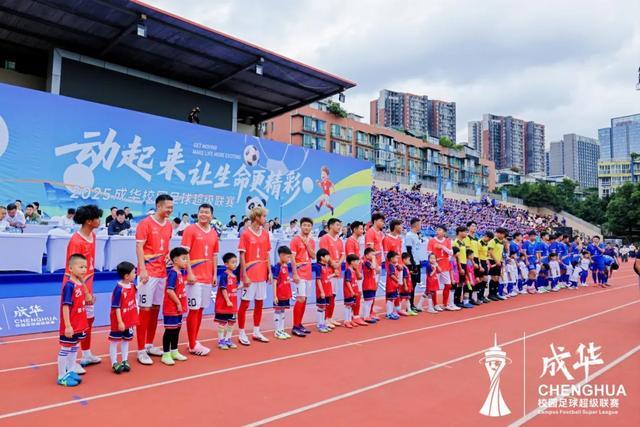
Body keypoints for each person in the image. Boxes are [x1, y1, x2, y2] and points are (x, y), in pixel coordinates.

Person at [135, 194, 174, 365]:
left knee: (155, 309)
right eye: (168, 207)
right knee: (145, 309)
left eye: (172, 207)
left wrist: (169, 256)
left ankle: (149, 344)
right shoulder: (145, 223)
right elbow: (139, 247)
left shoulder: (169, 225)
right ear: (159, 206)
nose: (170, 210)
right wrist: (142, 269)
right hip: (148, 273)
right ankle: (140, 350)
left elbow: (166, 246)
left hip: (162, 272)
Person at [65, 205, 103, 371]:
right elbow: (74, 270)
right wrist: (85, 292)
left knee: (89, 320)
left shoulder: (92, 236)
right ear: (89, 221)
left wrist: (89, 290)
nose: (99, 220)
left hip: (87, 286)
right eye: (97, 218)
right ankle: (70, 363)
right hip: (76, 288)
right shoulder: (76, 241)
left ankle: (86, 353)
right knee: (76, 322)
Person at [181, 203, 219, 356]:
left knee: (201, 310)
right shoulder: (190, 230)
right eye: (201, 212)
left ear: (211, 215)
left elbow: (214, 255)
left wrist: (214, 274)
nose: (204, 214)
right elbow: (184, 254)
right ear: (197, 214)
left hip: (207, 278)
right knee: (194, 310)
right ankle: (192, 345)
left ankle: (194, 340)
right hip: (194, 279)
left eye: (207, 212)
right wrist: (189, 273)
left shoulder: (214, 233)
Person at [237, 206, 272, 345]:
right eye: (263, 216)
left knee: (259, 303)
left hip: (262, 274)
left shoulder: (265, 234)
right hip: (250, 275)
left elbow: (267, 254)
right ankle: (241, 332)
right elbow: (242, 255)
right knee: (245, 304)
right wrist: (244, 275)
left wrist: (269, 272)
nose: (265, 219)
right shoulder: (246, 234)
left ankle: (256, 331)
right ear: (257, 217)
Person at [56, 254, 89, 387]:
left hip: (79, 324)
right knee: (65, 348)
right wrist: (68, 326)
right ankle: (61, 376)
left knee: (75, 347)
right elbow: (65, 306)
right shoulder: (69, 286)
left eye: (85, 267)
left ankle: (70, 371)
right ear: (70, 268)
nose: (84, 269)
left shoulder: (80, 284)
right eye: (80, 267)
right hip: (71, 325)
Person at [109, 261, 138, 374]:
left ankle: (125, 360)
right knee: (114, 341)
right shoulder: (118, 289)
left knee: (126, 340)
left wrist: (142, 283)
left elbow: (135, 291)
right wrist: (120, 322)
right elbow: (116, 307)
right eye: (133, 273)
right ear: (126, 276)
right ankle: (114, 362)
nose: (135, 274)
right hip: (119, 320)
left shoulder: (132, 285)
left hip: (129, 319)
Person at [290, 217, 316, 337]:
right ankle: (295, 326)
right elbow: (292, 258)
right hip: (299, 273)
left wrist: (307, 244)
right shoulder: (295, 240)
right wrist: (294, 273)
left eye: (308, 225)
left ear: (311, 227)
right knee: (300, 298)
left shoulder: (312, 241)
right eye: (304, 225)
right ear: (301, 226)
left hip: (308, 273)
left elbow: (313, 256)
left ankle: (299, 324)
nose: (306, 227)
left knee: (304, 299)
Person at [319, 218, 345, 328]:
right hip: (328, 271)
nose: (339, 227)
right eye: (337, 225)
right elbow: (323, 254)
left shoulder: (339, 240)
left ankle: (330, 317)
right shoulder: (325, 238)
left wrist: (338, 264)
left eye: (340, 225)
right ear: (330, 226)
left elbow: (343, 254)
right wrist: (332, 264)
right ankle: (324, 319)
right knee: (328, 295)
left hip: (336, 271)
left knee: (333, 295)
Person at [345, 221, 367, 325]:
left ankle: (355, 316)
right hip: (353, 274)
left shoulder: (356, 241)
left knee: (358, 294)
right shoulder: (350, 241)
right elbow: (352, 260)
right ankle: (353, 317)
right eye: (361, 229)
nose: (363, 231)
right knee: (355, 294)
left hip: (356, 272)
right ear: (354, 229)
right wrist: (357, 272)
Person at [215, 253, 239, 350]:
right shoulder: (224, 275)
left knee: (231, 322)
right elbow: (223, 289)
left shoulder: (234, 276)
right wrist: (228, 301)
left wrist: (243, 285)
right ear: (226, 264)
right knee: (222, 323)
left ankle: (228, 339)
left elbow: (234, 288)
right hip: (224, 304)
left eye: (236, 262)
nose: (235, 264)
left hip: (233, 304)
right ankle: (221, 341)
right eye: (233, 262)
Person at [428, 225, 453, 310]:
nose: (438, 231)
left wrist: (442, 247)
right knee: (434, 286)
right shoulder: (431, 241)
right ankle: (435, 304)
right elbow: (429, 253)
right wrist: (434, 260)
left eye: (440, 230)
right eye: (437, 230)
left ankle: (445, 304)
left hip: (445, 266)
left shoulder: (447, 241)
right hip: (435, 266)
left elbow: (451, 253)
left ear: (444, 232)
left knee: (448, 285)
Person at [272, 246, 293, 339]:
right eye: (288, 257)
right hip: (279, 294)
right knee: (278, 311)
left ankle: (281, 330)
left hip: (286, 293)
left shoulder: (286, 266)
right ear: (281, 255)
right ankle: (277, 331)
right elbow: (275, 282)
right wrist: (275, 296)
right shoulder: (277, 267)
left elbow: (285, 279)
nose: (289, 259)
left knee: (283, 311)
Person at [404, 218, 423, 312]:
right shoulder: (409, 235)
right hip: (412, 264)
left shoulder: (416, 235)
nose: (421, 226)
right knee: (410, 284)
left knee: (414, 284)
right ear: (415, 225)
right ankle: (408, 306)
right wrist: (413, 264)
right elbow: (409, 251)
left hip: (418, 262)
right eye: (420, 224)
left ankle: (411, 304)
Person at [314, 248, 333, 333]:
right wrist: (321, 291)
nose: (329, 257)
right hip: (322, 291)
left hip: (327, 290)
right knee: (321, 307)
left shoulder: (326, 266)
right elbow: (318, 280)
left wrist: (333, 275)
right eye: (327, 256)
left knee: (324, 307)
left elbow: (326, 278)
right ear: (322, 257)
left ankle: (323, 323)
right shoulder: (318, 266)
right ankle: (320, 324)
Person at [365, 213, 385, 286]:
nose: (383, 223)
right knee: (372, 286)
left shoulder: (380, 233)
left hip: (379, 262)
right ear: (375, 221)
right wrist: (375, 265)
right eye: (381, 221)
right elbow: (370, 252)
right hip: (372, 264)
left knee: (375, 285)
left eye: (383, 221)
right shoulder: (370, 232)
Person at [487, 228, 507, 301]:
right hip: (493, 261)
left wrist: (501, 261)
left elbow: (501, 252)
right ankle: (491, 294)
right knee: (494, 278)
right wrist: (496, 261)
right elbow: (490, 252)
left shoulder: (501, 242)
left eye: (503, 234)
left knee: (497, 278)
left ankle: (495, 293)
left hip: (499, 261)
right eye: (500, 233)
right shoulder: (493, 241)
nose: (502, 235)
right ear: (497, 233)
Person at [361, 247, 380, 323]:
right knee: (368, 301)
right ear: (366, 255)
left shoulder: (370, 262)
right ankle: (366, 317)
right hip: (367, 284)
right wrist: (374, 258)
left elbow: (377, 270)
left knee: (370, 301)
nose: (373, 256)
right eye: (371, 254)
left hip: (372, 283)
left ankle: (368, 315)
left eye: (373, 254)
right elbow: (374, 267)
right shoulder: (366, 262)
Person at [452, 226, 468, 309]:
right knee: (458, 283)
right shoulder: (455, 242)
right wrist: (460, 267)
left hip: (464, 263)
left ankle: (459, 300)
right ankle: (456, 301)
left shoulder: (463, 242)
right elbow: (456, 256)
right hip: (459, 264)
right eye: (465, 232)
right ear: (459, 232)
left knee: (461, 283)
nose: (466, 233)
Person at [342, 254, 360, 327]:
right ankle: (346, 321)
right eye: (356, 261)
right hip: (348, 292)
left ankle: (350, 320)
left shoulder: (353, 271)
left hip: (353, 291)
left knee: (351, 305)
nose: (358, 263)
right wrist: (351, 291)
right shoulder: (348, 271)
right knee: (348, 306)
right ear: (352, 262)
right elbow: (347, 282)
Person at [384, 251, 401, 320]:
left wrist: (397, 265)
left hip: (394, 285)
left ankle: (391, 312)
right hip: (391, 285)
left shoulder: (394, 266)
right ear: (391, 258)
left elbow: (400, 269)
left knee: (392, 299)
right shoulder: (391, 265)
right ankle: (388, 314)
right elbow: (391, 275)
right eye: (396, 258)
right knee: (390, 299)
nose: (397, 259)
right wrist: (398, 280)